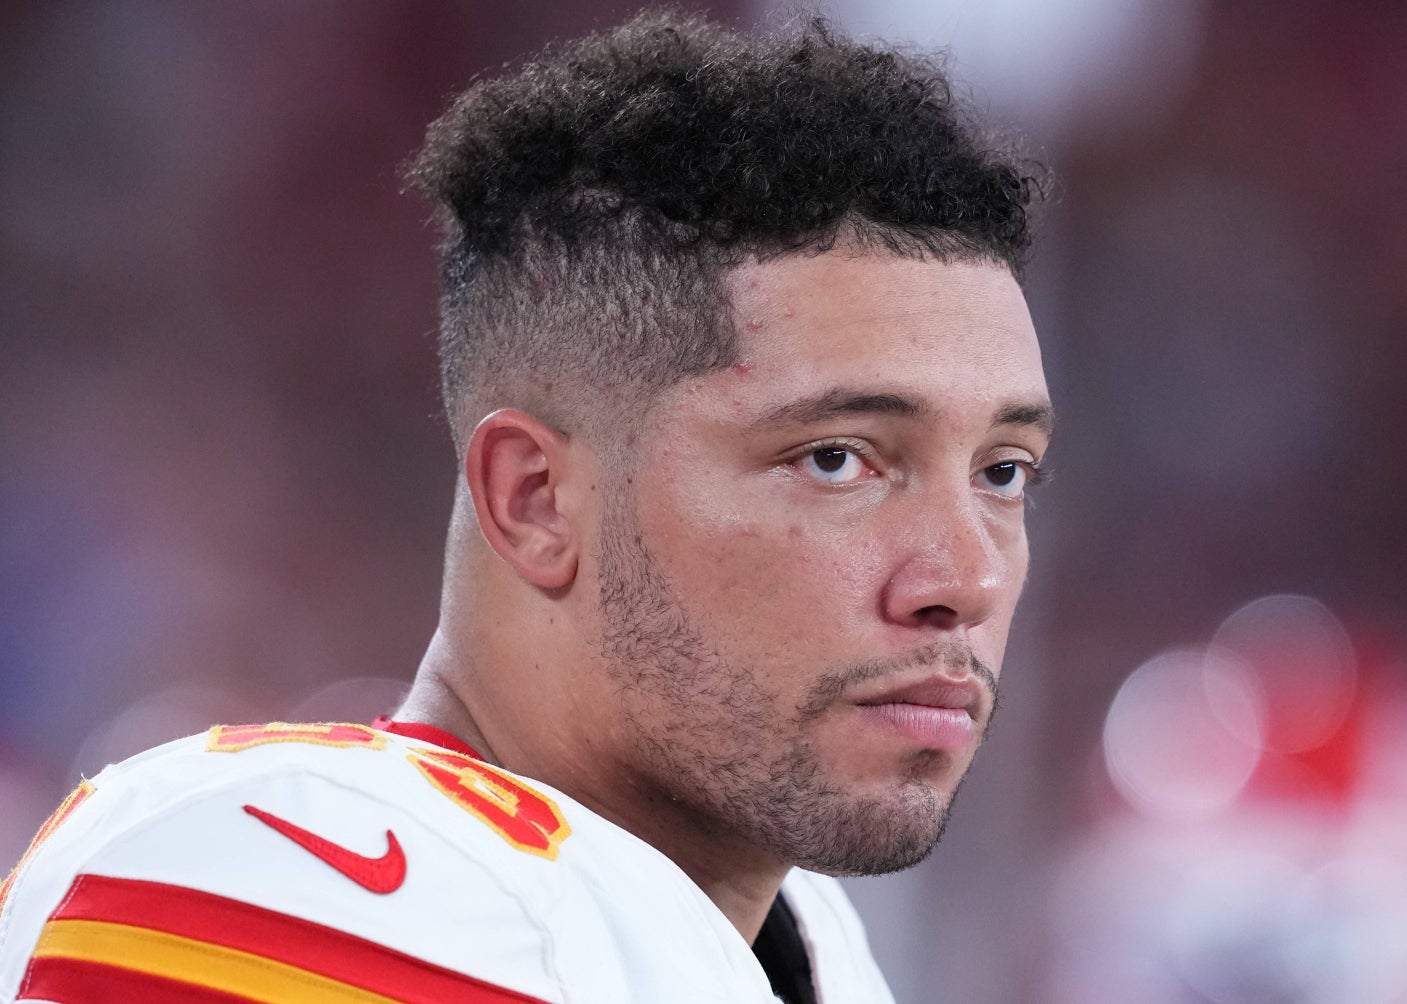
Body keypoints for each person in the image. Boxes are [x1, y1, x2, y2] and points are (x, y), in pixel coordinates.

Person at [0, 10, 1051, 1003]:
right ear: (537, 500)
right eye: (836, 459)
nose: (966, 578)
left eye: (1002, 471)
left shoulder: (804, 943)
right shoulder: (288, 881)